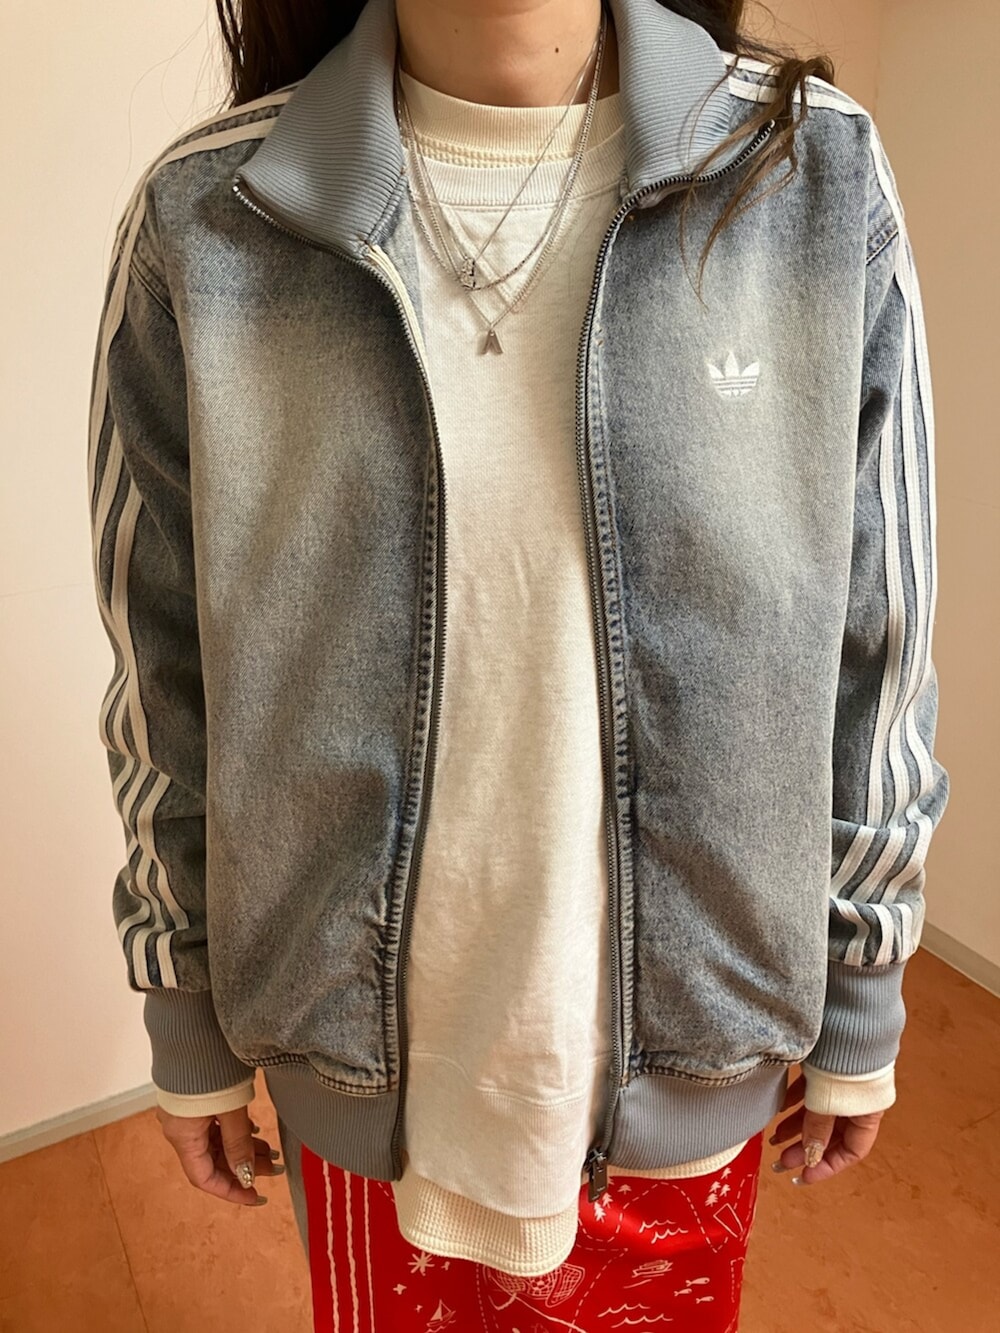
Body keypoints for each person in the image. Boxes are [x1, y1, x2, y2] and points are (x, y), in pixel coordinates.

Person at [86, 0, 950, 1327]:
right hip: (361, 1068)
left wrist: (864, 975)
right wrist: (185, 1003)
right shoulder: (208, 221)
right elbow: (165, 669)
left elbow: (877, 628)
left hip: (695, 1048)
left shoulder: (807, 177)